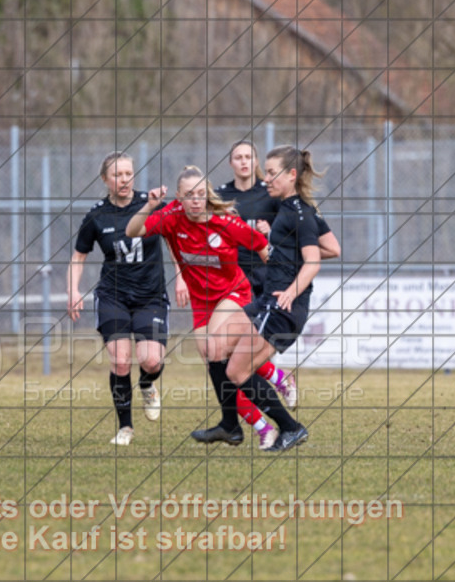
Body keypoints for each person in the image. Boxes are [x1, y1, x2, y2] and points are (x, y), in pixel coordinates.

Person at [125, 166, 300, 451]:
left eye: (200, 194)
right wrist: (149, 206)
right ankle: (258, 421)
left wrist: (286, 286)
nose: (195, 200)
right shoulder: (170, 216)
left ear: (207, 195)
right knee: (216, 361)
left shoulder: (225, 222)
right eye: (189, 195)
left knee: (216, 349)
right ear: (179, 198)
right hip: (201, 301)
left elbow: (261, 246)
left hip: (233, 293)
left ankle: (242, 421)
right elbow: (133, 230)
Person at [68, 151, 186, 446]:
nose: (124, 179)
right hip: (113, 296)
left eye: (128, 173)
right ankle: (125, 427)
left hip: (150, 296)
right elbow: (78, 256)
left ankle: (148, 384)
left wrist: (182, 275)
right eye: (117, 175)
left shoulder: (151, 204)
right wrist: (73, 289)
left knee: (150, 361)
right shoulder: (96, 215)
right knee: (120, 362)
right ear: (105, 180)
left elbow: (174, 239)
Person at [217, 139, 340, 408]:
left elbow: (314, 260)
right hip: (255, 291)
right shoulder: (287, 209)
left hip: (277, 297)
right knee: (220, 347)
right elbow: (331, 248)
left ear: (291, 175)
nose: (267, 179)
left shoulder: (297, 212)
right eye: (268, 172)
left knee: (236, 370)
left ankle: (283, 427)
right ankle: (279, 383)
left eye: (272, 173)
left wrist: (291, 291)